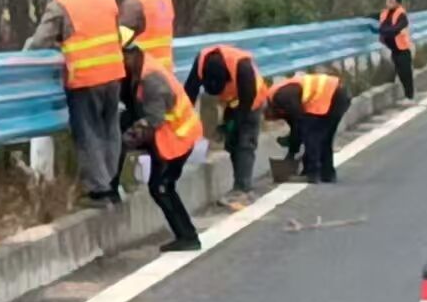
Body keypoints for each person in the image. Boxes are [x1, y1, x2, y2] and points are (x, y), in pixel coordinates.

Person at [24, 0, 127, 205]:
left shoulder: (60, 6)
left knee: (88, 133)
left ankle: (99, 191)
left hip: (85, 79)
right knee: (110, 130)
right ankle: (112, 184)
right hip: (114, 74)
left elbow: (38, 44)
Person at [118, 27, 202, 252]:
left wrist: (126, 142)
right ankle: (186, 235)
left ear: (127, 54)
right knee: (161, 186)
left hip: (176, 137)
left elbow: (152, 120)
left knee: (162, 187)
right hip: (170, 134)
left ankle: (188, 237)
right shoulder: (139, 69)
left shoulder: (151, 79)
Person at [183, 43, 264, 208]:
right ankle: (241, 184)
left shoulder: (243, 68)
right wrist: (184, 125)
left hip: (250, 101)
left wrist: (229, 126)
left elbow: (244, 109)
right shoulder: (201, 61)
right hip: (229, 101)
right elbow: (188, 94)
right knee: (231, 144)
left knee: (244, 142)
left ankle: (243, 190)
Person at [263, 71, 352, 183]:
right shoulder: (282, 100)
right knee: (325, 137)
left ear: (270, 108)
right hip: (341, 94)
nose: (276, 119)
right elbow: (296, 126)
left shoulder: (281, 96)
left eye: (272, 117)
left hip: (331, 95)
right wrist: (292, 145)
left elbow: (300, 122)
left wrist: (292, 151)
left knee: (312, 136)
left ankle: (312, 173)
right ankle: (327, 174)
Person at [378, 0, 414, 101]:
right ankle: (406, 96)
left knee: (405, 73)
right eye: (387, 1)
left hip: (403, 49)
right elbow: (374, 18)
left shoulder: (402, 15)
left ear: (398, 3)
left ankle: (409, 96)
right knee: (399, 72)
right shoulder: (384, 13)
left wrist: (382, 30)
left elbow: (395, 29)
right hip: (393, 50)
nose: (388, 3)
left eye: (391, 1)